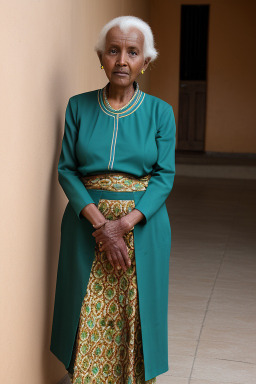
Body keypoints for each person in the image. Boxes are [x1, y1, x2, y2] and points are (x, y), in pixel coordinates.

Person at [50, 15, 176, 384]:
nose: (122, 60)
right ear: (101, 57)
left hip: (141, 229)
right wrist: (102, 226)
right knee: (86, 306)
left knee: (133, 311)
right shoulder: (78, 106)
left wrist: (122, 225)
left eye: (132, 52)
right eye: (114, 51)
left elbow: (164, 176)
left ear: (145, 62)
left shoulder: (160, 113)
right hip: (86, 228)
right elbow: (66, 170)